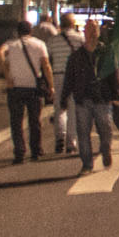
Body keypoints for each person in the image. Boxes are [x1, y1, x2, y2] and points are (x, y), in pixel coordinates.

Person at [63, 26, 119, 174]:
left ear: (98, 33)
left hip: (102, 98)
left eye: (94, 30)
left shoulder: (106, 53)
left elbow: (114, 73)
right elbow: (69, 77)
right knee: (83, 132)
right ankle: (87, 164)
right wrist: (64, 97)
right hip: (83, 99)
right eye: (89, 30)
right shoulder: (77, 56)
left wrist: (116, 94)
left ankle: (105, 150)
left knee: (105, 129)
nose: (92, 33)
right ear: (85, 33)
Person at [0, 21, 53, 164]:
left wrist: (7, 74)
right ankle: (36, 150)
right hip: (34, 87)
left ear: (17, 31)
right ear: (31, 31)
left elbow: (0, 52)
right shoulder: (39, 44)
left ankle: (19, 153)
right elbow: (46, 65)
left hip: (15, 88)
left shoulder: (11, 44)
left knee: (16, 122)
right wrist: (51, 86)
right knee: (35, 120)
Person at [44, 13, 82, 155]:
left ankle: (60, 137)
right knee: (73, 109)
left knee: (59, 108)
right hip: (75, 77)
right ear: (73, 24)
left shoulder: (53, 41)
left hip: (58, 75)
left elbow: (47, 59)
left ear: (61, 24)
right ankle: (71, 143)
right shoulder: (80, 39)